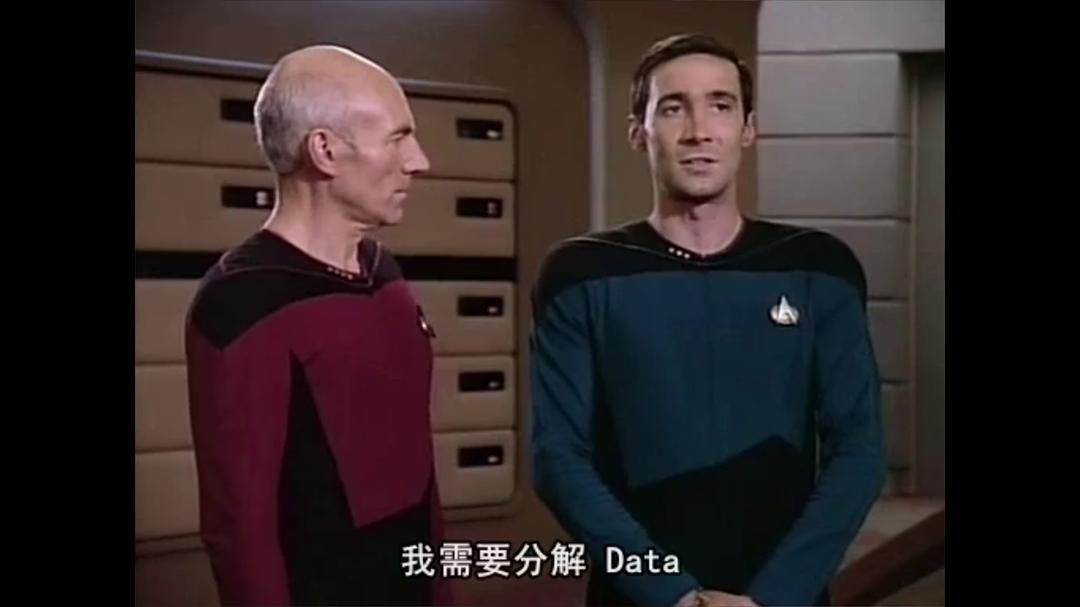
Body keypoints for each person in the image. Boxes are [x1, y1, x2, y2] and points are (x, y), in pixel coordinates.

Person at [529, 33, 887, 607]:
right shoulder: (580, 274)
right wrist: (671, 593)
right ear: (638, 131)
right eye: (674, 108)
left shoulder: (818, 268)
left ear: (748, 128)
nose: (699, 130)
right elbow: (557, 458)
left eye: (720, 105)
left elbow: (859, 450)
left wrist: (774, 597)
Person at [184, 45, 451, 606]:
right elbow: (240, 531)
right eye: (398, 138)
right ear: (324, 150)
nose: (419, 161)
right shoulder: (244, 302)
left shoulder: (384, 273)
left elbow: (417, 472)